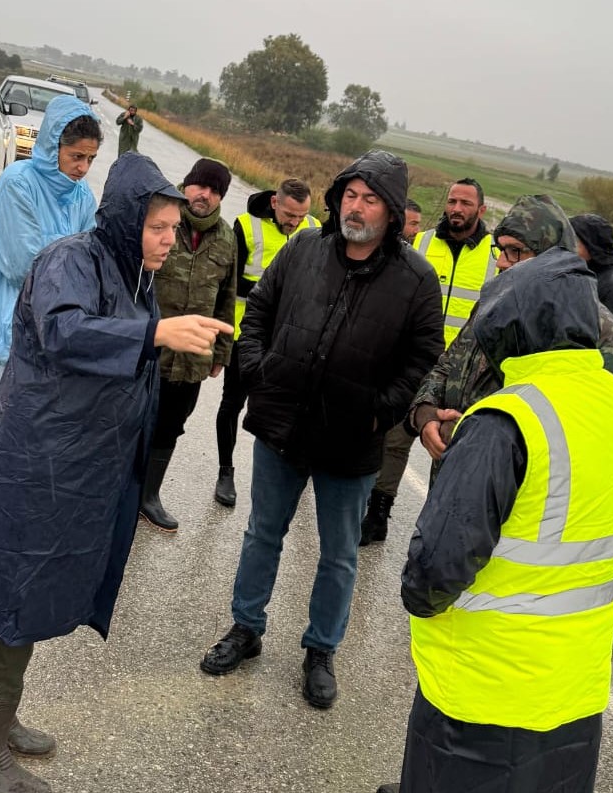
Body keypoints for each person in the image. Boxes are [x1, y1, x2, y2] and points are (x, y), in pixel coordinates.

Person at [0, 153, 231, 793]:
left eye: (172, 228)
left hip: (72, 464)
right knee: (14, 597)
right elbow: (63, 330)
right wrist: (155, 333)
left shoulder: (134, 273)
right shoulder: (70, 259)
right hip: (35, 462)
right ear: (129, 220)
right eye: (157, 227)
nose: (168, 239)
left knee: (34, 593)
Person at [376, 247, 613, 793]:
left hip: (483, 692)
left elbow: (433, 571)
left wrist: (475, 462)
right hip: (576, 688)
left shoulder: (506, 419)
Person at [200, 151, 444, 709]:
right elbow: (258, 310)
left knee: (338, 553)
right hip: (282, 423)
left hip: (351, 438)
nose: (357, 208)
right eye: (350, 196)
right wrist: (259, 371)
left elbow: (424, 359)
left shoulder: (415, 279)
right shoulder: (304, 250)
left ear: (392, 209)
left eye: (371, 199)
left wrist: (379, 411)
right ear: (337, 200)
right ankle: (246, 628)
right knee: (263, 531)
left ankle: (321, 650)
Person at [0, 96, 102, 618]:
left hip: (46, 349)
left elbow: (90, 255)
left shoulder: (80, 195)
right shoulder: (17, 185)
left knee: (15, 458)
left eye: (90, 159)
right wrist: (73, 264)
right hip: (2, 342)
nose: (81, 168)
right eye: (75, 156)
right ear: (52, 146)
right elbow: (27, 263)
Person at [408, 195, 613, 477]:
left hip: (522, 496)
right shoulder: (492, 305)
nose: (501, 263)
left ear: (554, 257)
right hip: (452, 476)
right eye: (500, 250)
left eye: (515, 252)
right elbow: (447, 364)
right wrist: (426, 413)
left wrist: (479, 437)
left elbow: (585, 433)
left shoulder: (599, 332)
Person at [359, 178, 496, 545]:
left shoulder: (494, 257)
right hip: (416, 364)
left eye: (466, 202)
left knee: (452, 451)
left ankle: (441, 529)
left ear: (481, 210)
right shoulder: (419, 243)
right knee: (395, 440)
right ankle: (379, 512)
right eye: (452, 200)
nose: (457, 208)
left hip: (467, 375)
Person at [139, 157, 237, 532]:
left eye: (215, 190)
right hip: (148, 348)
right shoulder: (163, 222)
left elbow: (227, 300)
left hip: (193, 357)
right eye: (200, 185)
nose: (205, 195)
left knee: (171, 426)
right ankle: (119, 490)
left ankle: (149, 496)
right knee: (132, 420)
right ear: (186, 184)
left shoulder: (227, 239)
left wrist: (221, 354)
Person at [212, 177, 318, 507]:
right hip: (247, 336)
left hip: (292, 340)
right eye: (289, 215)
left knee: (296, 409)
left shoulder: (315, 229)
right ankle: (225, 471)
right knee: (233, 404)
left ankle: (296, 470)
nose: (295, 222)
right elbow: (229, 285)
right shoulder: (245, 226)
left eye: (301, 216)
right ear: (275, 202)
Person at [571, 213, 613, 330]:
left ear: (592, 247)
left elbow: (611, 341)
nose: (569, 247)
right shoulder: (575, 272)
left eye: (575, 242)